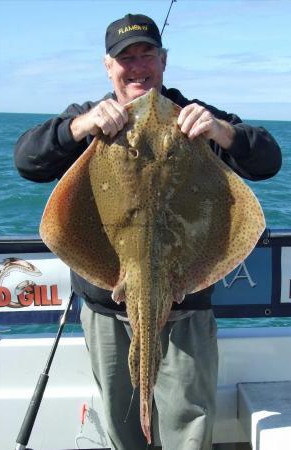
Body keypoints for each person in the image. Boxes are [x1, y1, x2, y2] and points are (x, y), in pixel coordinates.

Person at [15, 13, 282, 450]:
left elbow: (268, 159)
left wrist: (222, 131)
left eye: (147, 55)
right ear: (108, 66)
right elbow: (27, 160)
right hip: (107, 303)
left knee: (187, 427)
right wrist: (80, 127)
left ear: (164, 60)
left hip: (186, 304)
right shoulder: (89, 118)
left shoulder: (193, 116)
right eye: (126, 58)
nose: (137, 66)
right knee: (123, 426)